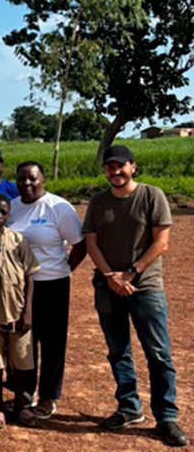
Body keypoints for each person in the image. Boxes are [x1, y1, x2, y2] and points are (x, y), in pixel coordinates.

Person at [82, 145, 188, 447]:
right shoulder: (98, 202)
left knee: (158, 353)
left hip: (145, 287)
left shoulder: (152, 196)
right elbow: (91, 244)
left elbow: (161, 243)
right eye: (110, 167)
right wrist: (111, 277)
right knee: (118, 351)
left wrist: (130, 273)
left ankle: (166, 417)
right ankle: (129, 407)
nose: (115, 172)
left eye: (121, 166)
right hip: (108, 286)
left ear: (133, 166)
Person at [9, 161, 86, 419]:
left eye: (32, 178)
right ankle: (25, 392)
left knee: (52, 342)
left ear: (43, 180)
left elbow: (80, 244)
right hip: (19, 287)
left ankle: (48, 396)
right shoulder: (12, 207)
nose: (27, 184)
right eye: (22, 179)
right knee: (24, 341)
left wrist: (65, 268)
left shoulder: (59, 208)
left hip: (53, 284)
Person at [0, 193, 40, 430]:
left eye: (3, 212)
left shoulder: (17, 240)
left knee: (22, 359)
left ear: (8, 215)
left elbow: (30, 274)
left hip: (17, 310)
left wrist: (28, 311)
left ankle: (20, 404)